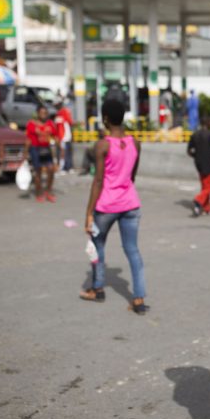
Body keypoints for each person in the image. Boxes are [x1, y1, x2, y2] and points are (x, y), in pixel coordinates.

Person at [80, 100, 148, 315]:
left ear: (106, 118)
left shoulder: (102, 144)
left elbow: (98, 181)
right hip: (130, 203)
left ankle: (97, 289)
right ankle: (138, 299)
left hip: (106, 206)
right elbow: (132, 176)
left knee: (98, 245)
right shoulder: (135, 143)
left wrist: (89, 212)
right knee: (133, 251)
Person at [23, 105, 56, 203]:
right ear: (37, 113)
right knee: (38, 172)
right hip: (35, 149)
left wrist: (60, 150)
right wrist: (25, 153)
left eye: (45, 113)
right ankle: (39, 192)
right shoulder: (31, 124)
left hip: (46, 149)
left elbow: (55, 137)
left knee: (51, 169)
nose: (43, 115)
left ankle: (48, 192)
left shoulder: (50, 123)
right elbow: (28, 140)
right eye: (41, 113)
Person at [54, 100, 74, 174]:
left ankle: (68, 167)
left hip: (66, 136)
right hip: (63, 137)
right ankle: (64, 168)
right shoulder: (60, 114)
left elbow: (70, 122)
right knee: (64, 153)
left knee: (66, 152)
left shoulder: (62, 113)